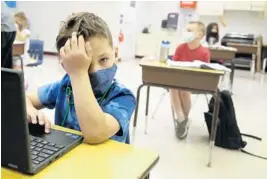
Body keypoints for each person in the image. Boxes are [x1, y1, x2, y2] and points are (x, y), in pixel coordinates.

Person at [25, 12, 136, 144]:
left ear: (115, 54)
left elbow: (95, 133)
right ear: (67, 66)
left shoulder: (123, 97)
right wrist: (30, 111)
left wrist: (79, 73)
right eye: (85, 64)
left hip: (106, 164)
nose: (95, 70)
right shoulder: (65, 86)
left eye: (103, 59)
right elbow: (23, 98)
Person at [170, 21, 210, 139]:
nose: (186, 33)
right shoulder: (180, 48)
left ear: (200, 35)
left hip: (195, 83)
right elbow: (173, 66)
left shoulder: (204, 52)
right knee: (174, 86)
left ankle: (183, 120)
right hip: (178, 80)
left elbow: (204, 73)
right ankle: (181, 119)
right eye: (186, 30)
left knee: (184, 89)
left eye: (190, 30)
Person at [1, 1, 16, 69]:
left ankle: (4, 76)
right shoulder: (2, 3)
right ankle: (7, 76)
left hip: (7, 32)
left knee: (3, 56)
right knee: (7, 57)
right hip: (10, 31)